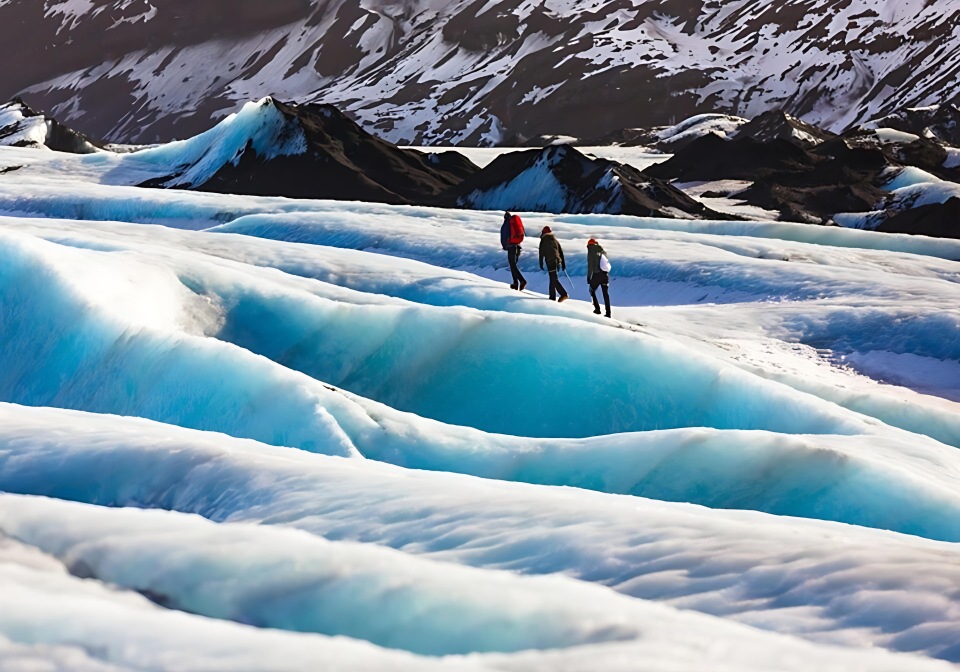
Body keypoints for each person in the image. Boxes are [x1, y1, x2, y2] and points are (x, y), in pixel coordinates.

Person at [538, 226, 568, 302]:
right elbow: (561, 252)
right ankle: (552, 297)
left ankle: (563, 294)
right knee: (552, 278)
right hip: (557, 260)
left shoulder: (543, 240)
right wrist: (563, 264)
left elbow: (541, 253)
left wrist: (541, 263)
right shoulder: (555, 240)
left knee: (554, 279)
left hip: (550, 261)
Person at [500, 211, 526, 290]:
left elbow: (504, 235)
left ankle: (522, 280)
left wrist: (505, 246)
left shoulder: (507, 224)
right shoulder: (514, 223)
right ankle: (515, 283)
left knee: (512, 265)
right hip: (517, 246)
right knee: (513, 265)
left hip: (511, 247)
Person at [586, 238, 611, 317]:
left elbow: (590, 266)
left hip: (597, 275)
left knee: (591, 290)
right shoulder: (602, 251)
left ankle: (597, 309)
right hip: (605, 275)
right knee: (605, 294)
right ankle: (608, 313)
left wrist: (589, 277)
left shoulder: (591, 252)